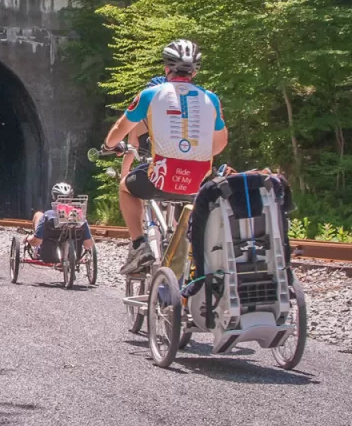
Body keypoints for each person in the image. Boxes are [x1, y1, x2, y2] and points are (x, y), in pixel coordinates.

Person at [101, 40, 228, 274]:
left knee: (125, 187)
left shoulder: (151, 94)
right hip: (197, 182)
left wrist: (109, 144)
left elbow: (122, 127)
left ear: (166, 68)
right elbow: (220, 144)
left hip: (160, 178)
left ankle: (140, 245)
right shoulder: (212, 99)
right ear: (195, 71)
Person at [23, 182, 95, 258]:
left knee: (38, 214)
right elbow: (88, 244)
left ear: (54, 197)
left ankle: (36, 241)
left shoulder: (48, 215)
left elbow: (36, 242)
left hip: (47, 255)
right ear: (71, 198)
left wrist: (28, 238)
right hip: (73, 257)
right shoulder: (79, 216)